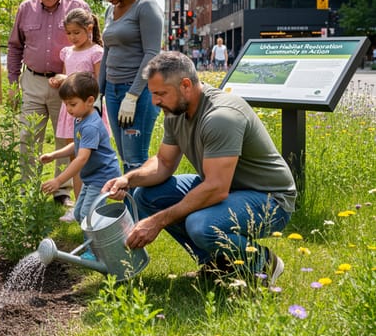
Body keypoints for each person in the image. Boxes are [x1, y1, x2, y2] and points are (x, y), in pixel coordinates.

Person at [102, 52, 295, 283]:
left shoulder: (221, 116)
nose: (154, 101)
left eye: (160, 93)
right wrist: (129, 179)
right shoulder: (176, 111)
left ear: (185, 85)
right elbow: (164, 163)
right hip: (228, 189)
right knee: (145, 195)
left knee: (200, 225)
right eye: (152, 94)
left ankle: (262, 263)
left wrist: (157, 221)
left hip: (270, 199)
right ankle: (215, 265)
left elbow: (216, 188)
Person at [7, 0, 91, 205]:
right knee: (27, 136)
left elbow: (90, 46)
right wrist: (14, 85)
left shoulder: (78, 8)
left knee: (64, 138)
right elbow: (15, 47)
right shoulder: (25, 8)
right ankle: (27, 189)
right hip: (32, 81)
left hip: (66, 85)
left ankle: (61, 191)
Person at [87, 0, 163, 174]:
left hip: (138, 92)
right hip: (112, 91)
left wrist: (133, 95)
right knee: (124, 158)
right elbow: (107, 53)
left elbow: (151, 53)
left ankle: (142, 207)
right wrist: (99, 94)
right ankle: (129, 208)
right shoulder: (111, 10)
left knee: (135, 159)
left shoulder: (146, 6)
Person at [40, 73, 120, 233]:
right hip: (92, 176)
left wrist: (59, 180)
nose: (68, 109)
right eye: (65, 104)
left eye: (72, 104)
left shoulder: (90, 126)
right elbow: (77, 145)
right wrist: (54, 155)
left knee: (87, 215)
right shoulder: (80, 118)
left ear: (90, 101)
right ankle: (103, 231)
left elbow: (81, 158)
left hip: (102, 177)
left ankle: (94, 251)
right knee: (78, 213)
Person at [48, 8, 107, 201]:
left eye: (76, 32)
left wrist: (68, 78)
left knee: (91, 158)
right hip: (71, 110)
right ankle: (79, 203)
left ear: (89, 28)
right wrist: (59, 81)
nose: (72, 37)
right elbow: (68, 82)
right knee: (75, 158)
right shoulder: (67, 53)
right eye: (69, 33)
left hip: (90, 110)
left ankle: (95, 201)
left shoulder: (96, 52)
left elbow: (98, 83)